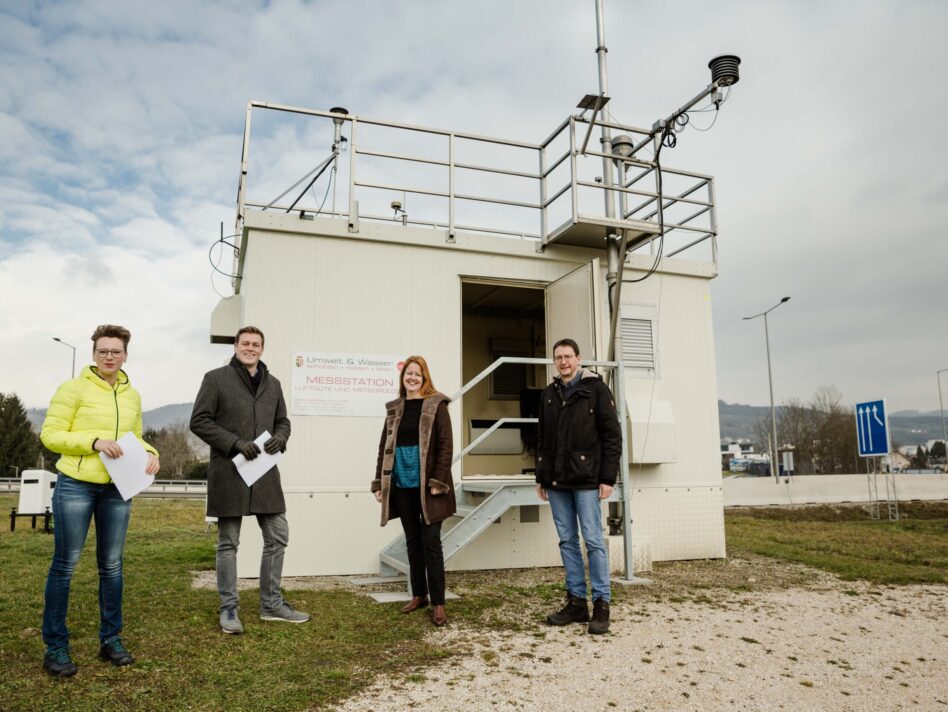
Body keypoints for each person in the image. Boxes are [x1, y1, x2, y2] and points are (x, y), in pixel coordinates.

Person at [39, 324, 160, 677]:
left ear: (125, 355)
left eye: (116, 351)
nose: (109, 357)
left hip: (117, 489)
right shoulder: (72, 389)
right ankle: (56, 647)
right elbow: (50, 435)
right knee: (65, 566)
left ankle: (111, 640)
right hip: (76, 485)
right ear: (94, 353)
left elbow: (135, 437)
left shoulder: (131, 395)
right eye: (103, 351)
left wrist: (151, 452)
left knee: (112, 566)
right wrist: (94, 442)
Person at [190, 326, 309, 634]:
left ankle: (271, 605)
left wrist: (281, 438)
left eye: (256, 344)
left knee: (278, 534)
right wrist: (234, 443)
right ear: (236, 346)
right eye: (245, 343)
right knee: (228, 542)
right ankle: (229, 608)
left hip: (265, 472)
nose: (250, 348)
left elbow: (283, 421)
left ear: (262, 349)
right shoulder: (215, 379)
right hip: (230, 472)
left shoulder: (274, 383)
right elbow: (199, 421)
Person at [535, 338, 621, 635]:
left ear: (578, 358)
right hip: (557, 482)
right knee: (567, 541)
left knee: (594, 541)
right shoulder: (549, 393)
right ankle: (576, 603)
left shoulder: (596, 389)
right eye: (558, 357)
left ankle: (601, 603)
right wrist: (541, 477)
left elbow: (612, 436)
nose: (563, 362)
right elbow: (542, 438)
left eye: (568, 356)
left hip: (587, 480)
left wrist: (607, 478)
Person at [371, 356, 455, 626]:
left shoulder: (437, 405)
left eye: (418, 374)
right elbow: (384, 446)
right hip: (401, 484)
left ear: (424, 377)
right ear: (403, 377)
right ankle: (419, 594)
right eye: (409, 373)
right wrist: (378, 483)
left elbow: (445, 445)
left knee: (431, 542)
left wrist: (438, 480)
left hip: (429, 486)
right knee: (412, 541)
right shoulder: (395, 408)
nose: (413, 378)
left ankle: (439, 603)